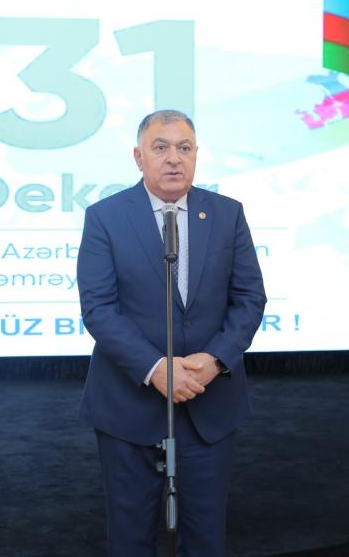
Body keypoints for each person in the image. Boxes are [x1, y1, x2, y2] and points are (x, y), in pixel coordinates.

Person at [77, 109, 267, 556]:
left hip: (209, 403)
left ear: (197, 154)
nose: (174, 158)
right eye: (160, 147)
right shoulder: (105, 217)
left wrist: (216, 360)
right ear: (138, 156)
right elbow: (99, 308)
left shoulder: (226, 214)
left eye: (184, 148)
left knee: (205, 538)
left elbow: (249, 298)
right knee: (130, 538)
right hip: (129, 406)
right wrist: (155, 368)